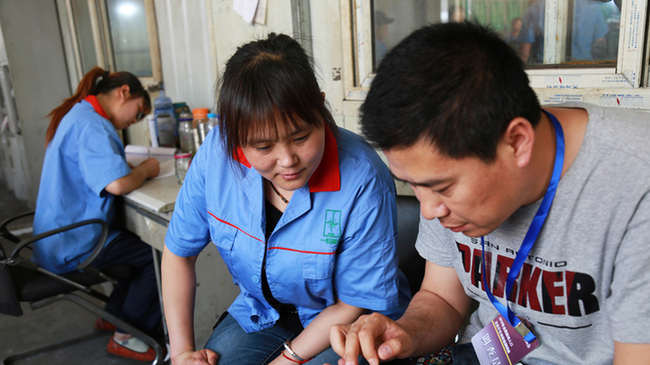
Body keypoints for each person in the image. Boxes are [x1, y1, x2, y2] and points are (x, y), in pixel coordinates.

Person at [329, 22, 650, 365]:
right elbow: (443, 298)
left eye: (442, 188)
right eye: (415, 187)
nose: (428, 211)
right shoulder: (438, 174)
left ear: (517, 142)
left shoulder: (634, 182)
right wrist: (404, 332)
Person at [162, 33, 410, 365]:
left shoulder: (363, 177)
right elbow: (179, 252)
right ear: (234, 133)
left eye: (301, 136)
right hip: (262, 313)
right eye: (263, 147)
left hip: (346, 322)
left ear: (320, 107)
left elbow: (353, 303)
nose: (288, 160)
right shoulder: (216, 156)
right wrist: (181, 354)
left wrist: (288, 359)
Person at [33, 66, 162, 361]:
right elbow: (116, 185)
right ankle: (127, 336)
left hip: (58, 233)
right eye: (139, 112)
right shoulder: (91, 124)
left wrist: (130, 171)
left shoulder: (81, 115)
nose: (135, 120)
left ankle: (116, 316)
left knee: (131, 249)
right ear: (124, 93)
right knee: (159, 257)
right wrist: (146, 169)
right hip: (73, 239)